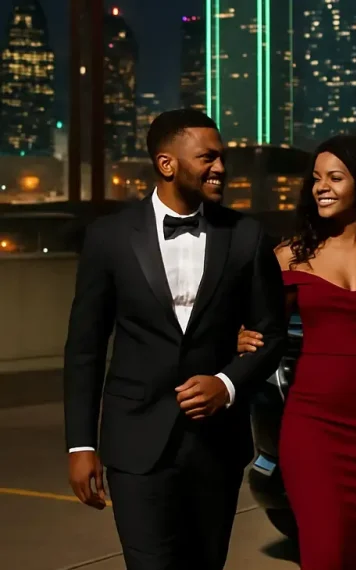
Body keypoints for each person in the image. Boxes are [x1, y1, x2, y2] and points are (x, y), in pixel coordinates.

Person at [63, 109, 287, 570]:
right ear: (167, 164)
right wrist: (80, 445)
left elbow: (272, 333)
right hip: (135, 441)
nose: (221, 167)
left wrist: (225, 383)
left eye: (222, 157)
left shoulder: (246, 236)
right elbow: (85, 347)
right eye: (208, 157)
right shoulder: (108, 238)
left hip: (215, 446)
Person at [238, 134, 356, 569]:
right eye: (316, 178)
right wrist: (239, 338)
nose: (321, 187)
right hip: (313, 425)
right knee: (325, 553)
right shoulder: (290, 256)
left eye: (335, 177)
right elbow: (260, 331)